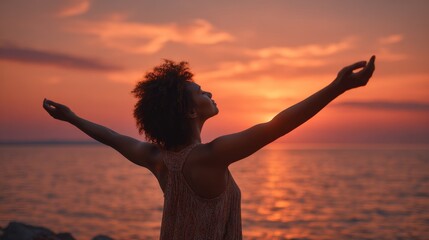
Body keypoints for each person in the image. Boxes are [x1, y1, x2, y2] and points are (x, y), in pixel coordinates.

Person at [43, 56, 376, 239]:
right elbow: (277, 125)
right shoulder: (211, 157)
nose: (210, 93)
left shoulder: (157, 158)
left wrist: (73, 118)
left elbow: (113, 137)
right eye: (201, 92)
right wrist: (337, 87)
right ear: (190, 111)